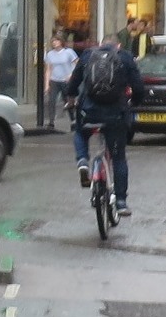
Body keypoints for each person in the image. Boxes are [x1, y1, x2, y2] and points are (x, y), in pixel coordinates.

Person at [66, 34, 144, 215]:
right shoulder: (125, 58)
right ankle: (122, 202)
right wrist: (134, 102)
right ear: (118, 45)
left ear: (101, 44)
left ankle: (83, 160)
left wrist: (70, 99)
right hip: (116, 115)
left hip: (89, 112)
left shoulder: (87, 56)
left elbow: (73, 83)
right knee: (118, 158)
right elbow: (138, 87)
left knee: (79, 132)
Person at [43, 34, 78, 129]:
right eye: (53, 41)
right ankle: (51, 122)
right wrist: (46, 85)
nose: (54, 43)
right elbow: (48, 70)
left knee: (67, 100)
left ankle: (73, 120)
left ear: (61, 42)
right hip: (54, 80)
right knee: (52, 101)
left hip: (66, 80)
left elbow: (77, 64)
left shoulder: (69, 52)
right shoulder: (50, 54)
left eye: (56, 41)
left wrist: (71, 75)